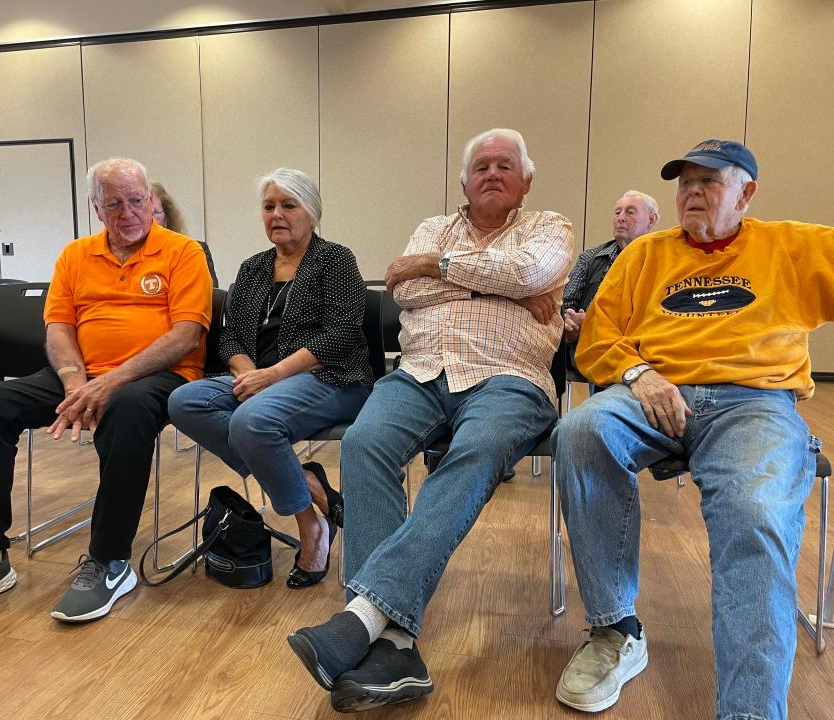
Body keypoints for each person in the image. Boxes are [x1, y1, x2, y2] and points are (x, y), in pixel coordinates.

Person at [288, 129, 573, 712]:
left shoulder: (551, 228)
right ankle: (391, 643)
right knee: (364, 443)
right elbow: (404, 290)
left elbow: (528, 272)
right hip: (420, 370)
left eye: (505, 165)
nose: (492, 173)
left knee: (475, 452)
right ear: (464, 181)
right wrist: (500, 291)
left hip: (511, 377)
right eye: (480, 166)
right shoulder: (432, 226)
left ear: (526, 180)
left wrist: (442, 271)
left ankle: (362, 618)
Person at [552, 139, 833, 719]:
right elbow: (599, 338)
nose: (693, 193)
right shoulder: (644, 255)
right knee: (581, 431)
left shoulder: (794, 246)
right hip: (652, 392)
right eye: (685, 183)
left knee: (755, 509)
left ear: (746, 194)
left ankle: (751, 710)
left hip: (753, 402)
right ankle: (616, 631)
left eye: (709, 182)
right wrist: (639, 373)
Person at [0, 158, 213, 623]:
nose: (129, 213)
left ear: (151, 201)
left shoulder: (183, 252)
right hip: (80, 373)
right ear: (97, 208)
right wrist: (77, 381)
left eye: (137, 201)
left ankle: (109, 560)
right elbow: (58, 326)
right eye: (114, 204)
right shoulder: (75, 255)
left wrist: (111, 381)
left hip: (159, 376)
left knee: (128, 408)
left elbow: (186, 334)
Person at [169, 168, 372, 588]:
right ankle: (308, 482)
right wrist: (248, 374)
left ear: (311, 213)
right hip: (261, 382)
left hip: (331, 378)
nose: (277, 214)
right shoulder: (253, 267)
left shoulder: (335, 260)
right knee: (184, 402)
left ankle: (310, 527)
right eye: (269, 206)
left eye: (288, 205)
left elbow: (341, 334)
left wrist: (273, 376)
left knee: (252, 422)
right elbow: (231, 338)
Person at [562, 190, 658, 345]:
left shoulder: (662, 260)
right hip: (584, 353)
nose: (620, 218)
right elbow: (565, 305)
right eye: (617, 212)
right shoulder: (590, 258)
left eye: (630, 212)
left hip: (640, 353)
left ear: (651, 220)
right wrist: (570, 324)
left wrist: (591, 323)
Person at [151, 181, 218, 287]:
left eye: (154, 213)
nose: (148, 220)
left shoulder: (192, 251)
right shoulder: (124, 257)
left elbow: (209, 297)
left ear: (167, 216)